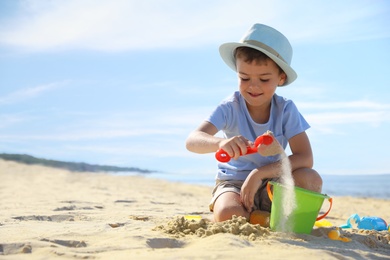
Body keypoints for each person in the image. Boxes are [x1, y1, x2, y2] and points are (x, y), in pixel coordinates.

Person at [185, 24, 323, 222]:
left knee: (311, 179)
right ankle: (262, 218)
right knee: (227, 214)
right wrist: (219, 143)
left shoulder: (285, 110)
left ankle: (266, 216)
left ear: (281, 78)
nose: (253, 86)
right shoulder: (229, 107)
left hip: (274, 182)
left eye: (264, 79)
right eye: (244, 77)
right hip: (234, 185)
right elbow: (192, 141)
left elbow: (305, 158)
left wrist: (259, 174)